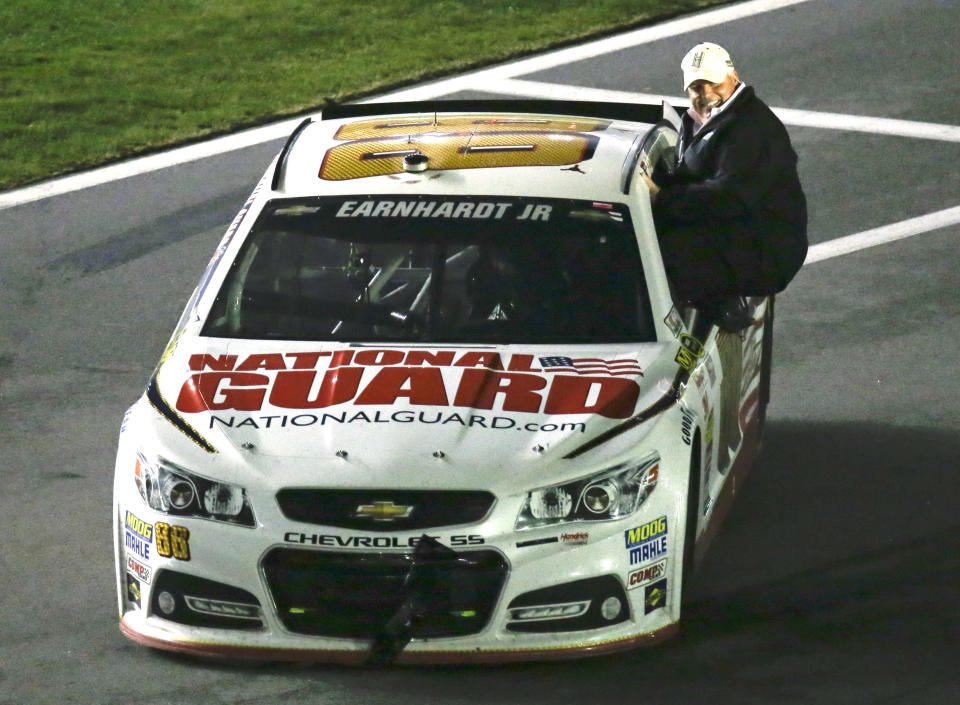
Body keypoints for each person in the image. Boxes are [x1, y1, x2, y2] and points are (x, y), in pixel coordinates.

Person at [643, 42, 808, 306]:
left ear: (733, 77)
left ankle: (720, 309)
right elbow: (697, 177)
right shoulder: (707, 119)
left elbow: (729, 196)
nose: (706, 93)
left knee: (654, 256)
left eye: (713, 83)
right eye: (697, 87)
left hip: (766, 253)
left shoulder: (750, 130)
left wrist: (662, 198)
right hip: (745, 232)